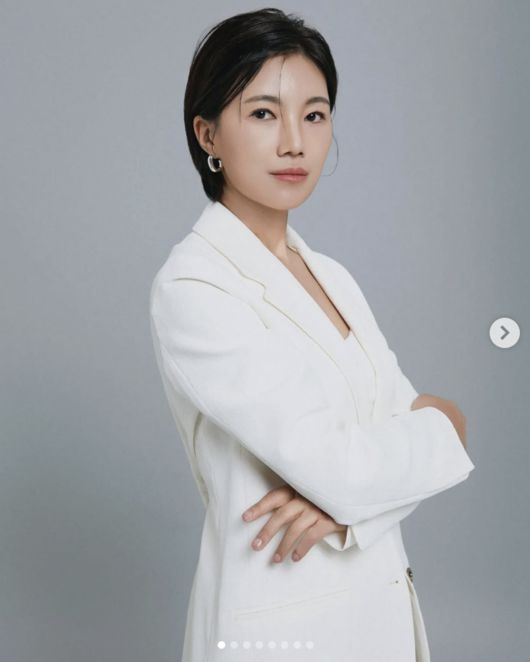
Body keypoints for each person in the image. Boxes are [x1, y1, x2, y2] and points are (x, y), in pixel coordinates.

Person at [149, 8, 475, 661]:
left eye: (315, 114)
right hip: (281, 631)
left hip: (380, 617)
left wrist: (351, 492)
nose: (295, 142)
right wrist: (380, 470)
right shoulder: (195, 286)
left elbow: (432, 422)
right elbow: (366, 462)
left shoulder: (332, 275)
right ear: (208, 133)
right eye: (263, 113)